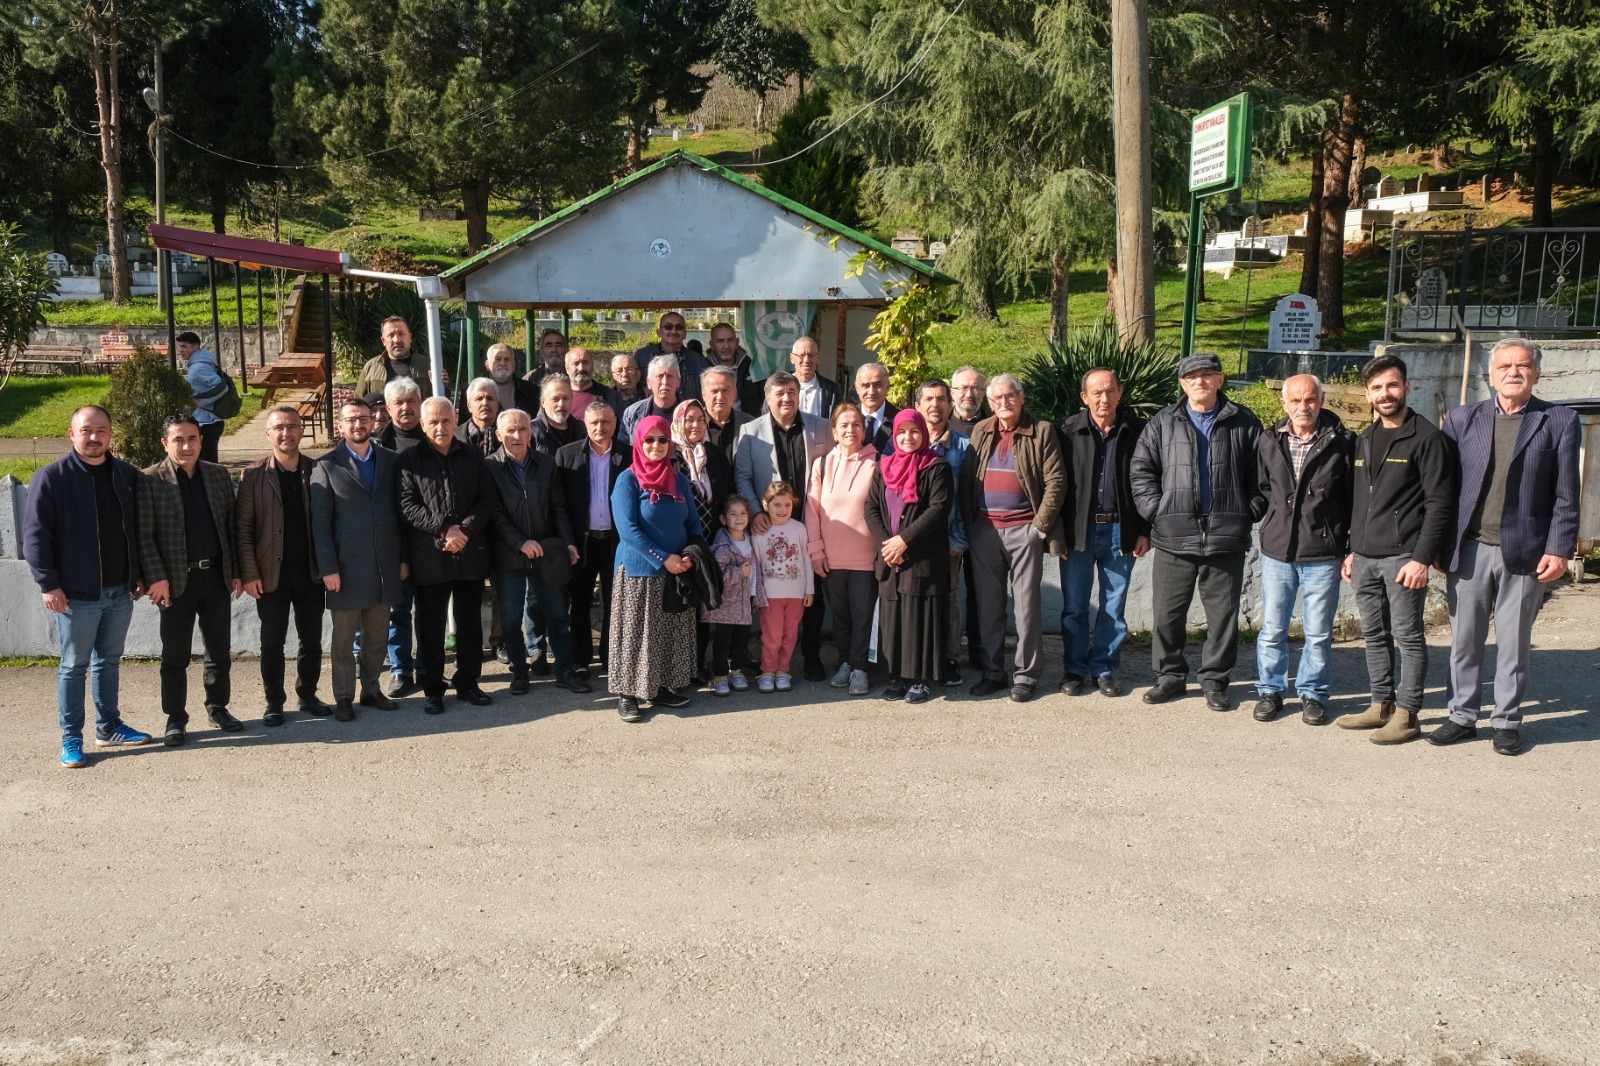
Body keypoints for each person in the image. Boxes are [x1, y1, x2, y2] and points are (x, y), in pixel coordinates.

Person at [1430, 338, 1579, 755]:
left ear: (1536, 372)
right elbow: (1445, 490)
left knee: (1513, 642)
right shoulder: (1461, 419)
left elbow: (1567, 494)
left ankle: (1507, 721)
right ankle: (1461, 715)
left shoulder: (1559, 420)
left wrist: (1559, 548)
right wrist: (1440, 545)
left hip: (1527, 551)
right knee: (1464, 639)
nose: (1513, 372)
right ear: (1490, 374)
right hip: (1470, 547)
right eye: (1505, 366)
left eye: (1523, 365)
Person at [1130, 353, 1265, 711]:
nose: (1200, 381)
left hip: (1226, 538)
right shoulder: (1162, 423)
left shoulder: (1245, 422)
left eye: (1208, 375)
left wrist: (1247, 512)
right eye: (1192, 377)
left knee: (1223, 617)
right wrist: (1158, 511)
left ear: (1221, 381)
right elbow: (1141, 470)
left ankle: (1215, 680)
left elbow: (1263, 477)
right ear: (1182, 383)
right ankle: (1170, 677)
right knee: (1167, 615)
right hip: (1174, 537)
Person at [1338, 354, 1457, 744]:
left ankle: (1407, 714)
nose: (1385, 394)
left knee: (1408, 637)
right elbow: (1360, 500)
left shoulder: (1428, 439)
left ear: (1407, 387)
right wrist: (1353, 549)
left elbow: (1440, 503)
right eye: (1376, 388)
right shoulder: (1366, 438)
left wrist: (1422, 557)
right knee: (1374, 635)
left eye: (1392, 385)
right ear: (1368, 394)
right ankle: (1380, 705)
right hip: (1366, 558)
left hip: (1404, 558)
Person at [24, 405, 152, 767]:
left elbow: (138, 530)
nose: (94, 437)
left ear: (111, 435)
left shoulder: (126, 475)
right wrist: (48, 584)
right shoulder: (52, 478)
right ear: (71, 434)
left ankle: (109, 727)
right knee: (74, 665)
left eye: (101, 431)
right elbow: (35, 537)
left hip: (119, 591)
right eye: (86, 431)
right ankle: (71, 739)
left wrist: (138, 573)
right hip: (75, 594)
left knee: (108, 661)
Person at [958, 373, 1068, 702]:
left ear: (1021, 398)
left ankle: (1027, 675)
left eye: (1010, 396)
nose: (1003, 403)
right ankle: (994, 671)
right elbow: (967, 478)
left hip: (1024, 530)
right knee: (989, 606)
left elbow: (1056, 482)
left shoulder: (1042, 430)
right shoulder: (982, 429)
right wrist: (969, 526)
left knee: (1027, 607)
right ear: (989, 403)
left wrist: (1038, 528)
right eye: (996, 399)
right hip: (984, 530)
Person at [1251, 374, 1354, 725]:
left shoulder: (1342, 442)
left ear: (1321, 401)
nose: (1302, 407)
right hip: (1278, 550)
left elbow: (1352, 497)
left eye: (1309, 400)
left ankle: (1313, 693)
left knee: (1319, 631)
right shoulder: (1269, 441)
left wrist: (1349, 544)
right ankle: (1270, 690)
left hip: (1323, 551)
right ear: (1284, 403)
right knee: (1273, 628)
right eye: (1295, 400)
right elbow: (1263, 488)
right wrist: (1269, 521)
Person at [138, 414, 243, 747]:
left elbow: (231, 527)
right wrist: (156, 577)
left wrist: (236, 570)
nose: (186, 446)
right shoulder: (150, 480)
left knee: (218, 650)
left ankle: (217, 707)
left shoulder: (217, 475)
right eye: (178, 440)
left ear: (201, 440)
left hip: (215, 577)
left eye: (193, 439)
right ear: (165, 443)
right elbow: (144, 536)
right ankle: (175, 718)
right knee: (175, 656)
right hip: (174, 583)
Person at [398, 397, 498, 714]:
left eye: (445, 421)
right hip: (430, 556)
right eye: (433, 422)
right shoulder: (409, 459)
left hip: (468, 553)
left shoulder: (472, 455)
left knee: (469, 624)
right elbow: (407, 504)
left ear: (455, 420)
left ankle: (468, 682)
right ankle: (433, 688)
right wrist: (444, 529)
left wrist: (464, 530)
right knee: (430, 626)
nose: (440, 427)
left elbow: (486, 498)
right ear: (423, 424)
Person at [311, 398, 408, 721]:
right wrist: (328, 568)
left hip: (384, 566)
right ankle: (342, 696)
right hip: (345, 570)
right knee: (342, 641)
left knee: (378, 636)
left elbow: (401, 513)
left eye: (364, 419)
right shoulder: (325, 466)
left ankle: (371, 689)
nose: (358, 425)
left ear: (374, 422)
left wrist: (403, 558)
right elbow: (320, 525)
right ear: (341, 425)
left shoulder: (391, 461)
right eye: (351, 420)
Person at [1057, 368, 1150, 699]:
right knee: (1075, 607)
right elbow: (1055, 487)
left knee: (1114, 607)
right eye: (1096, 392)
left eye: (1109, 391)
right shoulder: (1067, 431)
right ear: (1084, 397)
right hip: (1076, 534)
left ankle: (1104, 668)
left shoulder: (1138, 431)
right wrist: (1056, 535)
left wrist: (1145, 530)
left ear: (1120, 392)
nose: (1103, 398)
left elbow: (1151, 483)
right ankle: (1074, 669)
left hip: (1121, 532)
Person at [734, 371, 833, 680]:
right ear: (768, 397)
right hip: (770, 529)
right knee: (774, 596)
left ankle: (812, 654)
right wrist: (755, 511)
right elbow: (743, 477)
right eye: (779, 393)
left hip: (812, 524)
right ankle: (771, 660)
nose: (787, 397)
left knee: (812, 589)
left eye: (792, 391)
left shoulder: (821, 427)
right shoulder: (751, 432)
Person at [237, 405, 331, 727]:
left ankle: (307, 695)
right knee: (272, 643)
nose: (286, 433)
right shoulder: (253, 476)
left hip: (310, 573)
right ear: (268, 434)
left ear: (302, 431)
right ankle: (274, 702)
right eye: (279, 427)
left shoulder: (318, 470)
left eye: (292, 426)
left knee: (312, 640)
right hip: (269, 576)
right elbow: (243, 530)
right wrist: (249, 573)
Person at [486, 408, 588, 695]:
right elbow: (493, 514)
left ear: (531, 433)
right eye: (510, 430)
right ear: (499, 435)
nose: (517, 435)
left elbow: (559, 508)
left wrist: (567, 541)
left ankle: (565, 671)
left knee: (557, 614)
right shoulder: (490, 467)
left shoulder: (546, 464)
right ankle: (519, 671)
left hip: (546, 554)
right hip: (508, 556)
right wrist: (519, 542)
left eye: (522, 430)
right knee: (510, 618)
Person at [608, 414, 702, 722]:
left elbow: (693, 524)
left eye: (662, 439)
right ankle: (628, 693)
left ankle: (660, 687)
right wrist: (663, 558)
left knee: (666, 633)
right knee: (636, 634)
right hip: (639, 571)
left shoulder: (680, 481)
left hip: (675, 571)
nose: (656, 446)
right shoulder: (628, 480)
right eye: (649, 439)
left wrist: (691, 554)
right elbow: (628, 529)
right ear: (639, 442)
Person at [865, 409, 954, 704]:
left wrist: (904, 540)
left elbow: (938, 509)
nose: (907, 437)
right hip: (891, 559)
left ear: (923, 433)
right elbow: (871, 508)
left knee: (920, 618)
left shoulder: (936, 466)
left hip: (922, 557)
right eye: (901, 432)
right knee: (895, 617)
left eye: (914, 431)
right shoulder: (884, 467)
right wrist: (887, 544)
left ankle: (920, 679)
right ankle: (898, 676)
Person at [806, 403, 880, 696]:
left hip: (865, 558)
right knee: (840, 616)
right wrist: (816, 550)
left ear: (865, 430)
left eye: (857, 425)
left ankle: (861, 667)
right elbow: (812, 510)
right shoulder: (822, 464)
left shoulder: (878, 464)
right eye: (844, 425)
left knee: (863, 615)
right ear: (834, 432)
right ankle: (846, 661)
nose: (851, 430)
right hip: (830, 558)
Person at [557, 401, 630, 676]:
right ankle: (581, 659)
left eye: (606, 422)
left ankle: (612, 657)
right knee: (580, 601)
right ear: (585, 425)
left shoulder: (630, 456)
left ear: (615, 424)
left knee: (616, 601)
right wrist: (567, 540)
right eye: (594, 422)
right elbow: (559, 504)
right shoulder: (567, 455)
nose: (600, 427)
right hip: (581, 542)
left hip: (616, 542)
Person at [916, 378, 972, 688]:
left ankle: (950, 658)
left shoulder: (964, 447)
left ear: (949, 405)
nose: (935, 405)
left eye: (941, 399)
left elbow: (967, 497)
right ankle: (918, 656)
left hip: (947, 540)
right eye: (929, 399)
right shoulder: (906, 441)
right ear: (918, 406)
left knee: (949, 601)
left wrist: (960, 539)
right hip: (913, 541)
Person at [752, 481, 814, 693]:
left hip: (796, 594)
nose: (782, 510)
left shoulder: (799, 528)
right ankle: (768, 671)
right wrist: (756, 593)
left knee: (790, 636)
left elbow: (806, 559)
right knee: (772, 636)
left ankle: (783, 671)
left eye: (787, 505)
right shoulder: (759, 532)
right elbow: (757, 564)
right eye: (777, 505)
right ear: (765, 505)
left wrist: (809, 589)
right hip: (770, 595)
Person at [701, 494, 765, 696]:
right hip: (727, 606)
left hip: (744, 602)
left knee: (741, 640)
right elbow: (718, 575)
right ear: (723, 519)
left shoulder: (751, 540)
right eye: (733, 514)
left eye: (743, 513)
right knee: (723, 641)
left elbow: (756, 572)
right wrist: (739, 572)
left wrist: (757, 596)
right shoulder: (722, 545)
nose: (739, 518)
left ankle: (736, 670)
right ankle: (720, 674)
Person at [672, 399, 735, 535]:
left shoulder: (714, 453)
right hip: (681, 537)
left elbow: (729, 492)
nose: (696, 425)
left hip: (715, 535)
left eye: (701, 420)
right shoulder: (669, 457)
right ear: (678, 422)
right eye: (689, 420)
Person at [357, 315, 442, 400]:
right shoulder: (371, 367)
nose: (397, 340)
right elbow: (359, 402)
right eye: (391, 335)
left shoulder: (428, 365)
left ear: (410, 337)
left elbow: (442, 400)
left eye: (401, 334)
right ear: (383, 341)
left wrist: (443, 384)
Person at [633, 311, 710, 402]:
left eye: (679, 327)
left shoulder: (699, 362)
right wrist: (643, 385)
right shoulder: (642, 357)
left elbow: (707, 395)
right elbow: (631, 388)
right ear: (659, 332)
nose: (673, 331)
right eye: (668, 327)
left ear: (685, 333)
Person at [177, 331, 229, 462]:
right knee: (204, 464)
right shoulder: (199, 364)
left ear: (195, 347)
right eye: (179, 347)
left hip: (208, 422)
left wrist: (202, 402)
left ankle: (219, 483)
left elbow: (222, 387)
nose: (180, 350)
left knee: (208, 465)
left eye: (184, 346)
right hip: (207, 421)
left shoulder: (199, 367)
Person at [766, 336, 838, 420]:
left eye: (811, 355)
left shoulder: (832, 391)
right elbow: (766, 419)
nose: (806, 360)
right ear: (792, 358)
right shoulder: (775, 388)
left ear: (818, 358)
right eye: (802, 355)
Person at [621, 356, 683, 442]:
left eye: (670, 376)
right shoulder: (632, 413)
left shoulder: (691, 412)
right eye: (659, 376)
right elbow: (624, 450)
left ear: (678, 382)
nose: (665, 382)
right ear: (649, 382)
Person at [702, 364, 752, 464]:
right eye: (714, 391)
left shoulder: (750, 424)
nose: (720, 397)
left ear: (734, 393)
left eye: (726, 390)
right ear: (703, 394)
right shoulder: (692, 425)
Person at [707, 322, 760, 412]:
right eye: (720, 341)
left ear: (737, 343)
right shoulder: (703, 369)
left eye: (730, 340)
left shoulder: (752, 366)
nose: (726, 346)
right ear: (712, 345)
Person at [532, 373, 585, 456]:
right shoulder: (531, 431)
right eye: (555, 399)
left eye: (566, 398)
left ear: (572, 400)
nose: (561, 404)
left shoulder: (582, 430)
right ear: (543, 402)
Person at [483, 341, 540, 416]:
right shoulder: (475, 393)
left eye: (507, 359)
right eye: (498, 359)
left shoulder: (532, 391)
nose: (503, 363)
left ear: (514, 364)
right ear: (487, 365)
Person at [854, 362, 898, 453]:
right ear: (857, 389)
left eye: (877, 385)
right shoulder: (846, 419)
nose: (871, 392)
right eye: (865, 386)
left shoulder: (899, 420)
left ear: (887, 388)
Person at [567, 346, 620, 420]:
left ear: (593, 365)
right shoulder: (558, 398)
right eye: (576, 363)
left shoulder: (611, 396)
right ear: (567, 368)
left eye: (586, 362)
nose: (581, 368)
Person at [378, 378, 427, 452]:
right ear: (388, 409)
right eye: (399, 402)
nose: (405, 408)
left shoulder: (435, 437)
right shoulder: (376, 443)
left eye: (411, 401)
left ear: (420, 404)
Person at [457, 377, 501, 457]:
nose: (485, 403)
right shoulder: (455, 438)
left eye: (490, 398)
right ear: (469, 406)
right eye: (479, 399)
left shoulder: (509, 436)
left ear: (497, 405)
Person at [950, 366, 988, 436]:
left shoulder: (995, 425)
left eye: (975, 388)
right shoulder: (940, 423)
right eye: (963, 388)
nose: (969, 395)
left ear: (984, 393)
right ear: (952, 393)